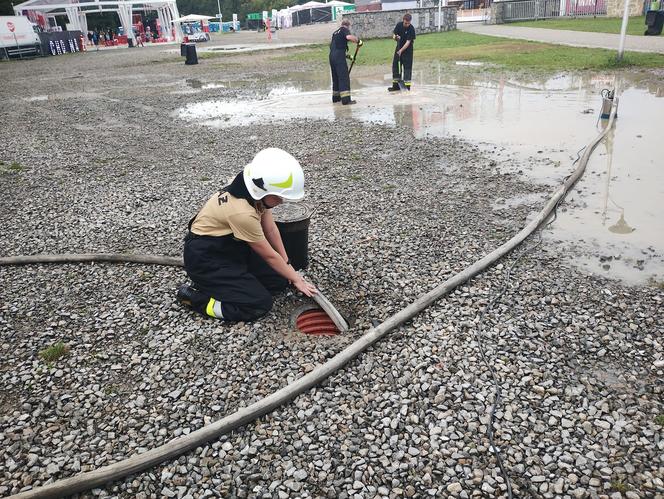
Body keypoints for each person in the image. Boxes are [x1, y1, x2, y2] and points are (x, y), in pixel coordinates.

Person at [177, 148, 318, 322]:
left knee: (280, 280)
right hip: (206, 257)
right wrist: (297, 279)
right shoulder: (242, 213)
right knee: (258, 304)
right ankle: (197, 297)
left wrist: (288, 265)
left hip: (230, 247)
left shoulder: (253, 191)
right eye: (279, 197)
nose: (282, 201)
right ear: (264, 192)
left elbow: (271, 230)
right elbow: (269, 256)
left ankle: (225, 283)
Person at [329, 19, 363, 105]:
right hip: (339, 57)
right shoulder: (344, 30)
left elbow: (337, 47)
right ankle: (346, 100)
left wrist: (349, 56)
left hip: (332, 57)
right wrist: (358, 41)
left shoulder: (335, 33)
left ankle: (336, 98)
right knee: (344, 77)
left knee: (336, 78)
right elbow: (349, 37)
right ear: (348, 26)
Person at [389, 13, 416, 92]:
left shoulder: (411, 29)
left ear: (410, 22)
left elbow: (408, 42)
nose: (406, 24)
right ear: (403, 20)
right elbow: (394, 35)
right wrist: (395, 37)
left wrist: (401, 50)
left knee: (407, 68)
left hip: (408, 52)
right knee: (395, 66)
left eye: (408, 23)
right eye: (405, 23)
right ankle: (395, 86)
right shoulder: (399, 25)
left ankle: (407, 88)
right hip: (398, 49)